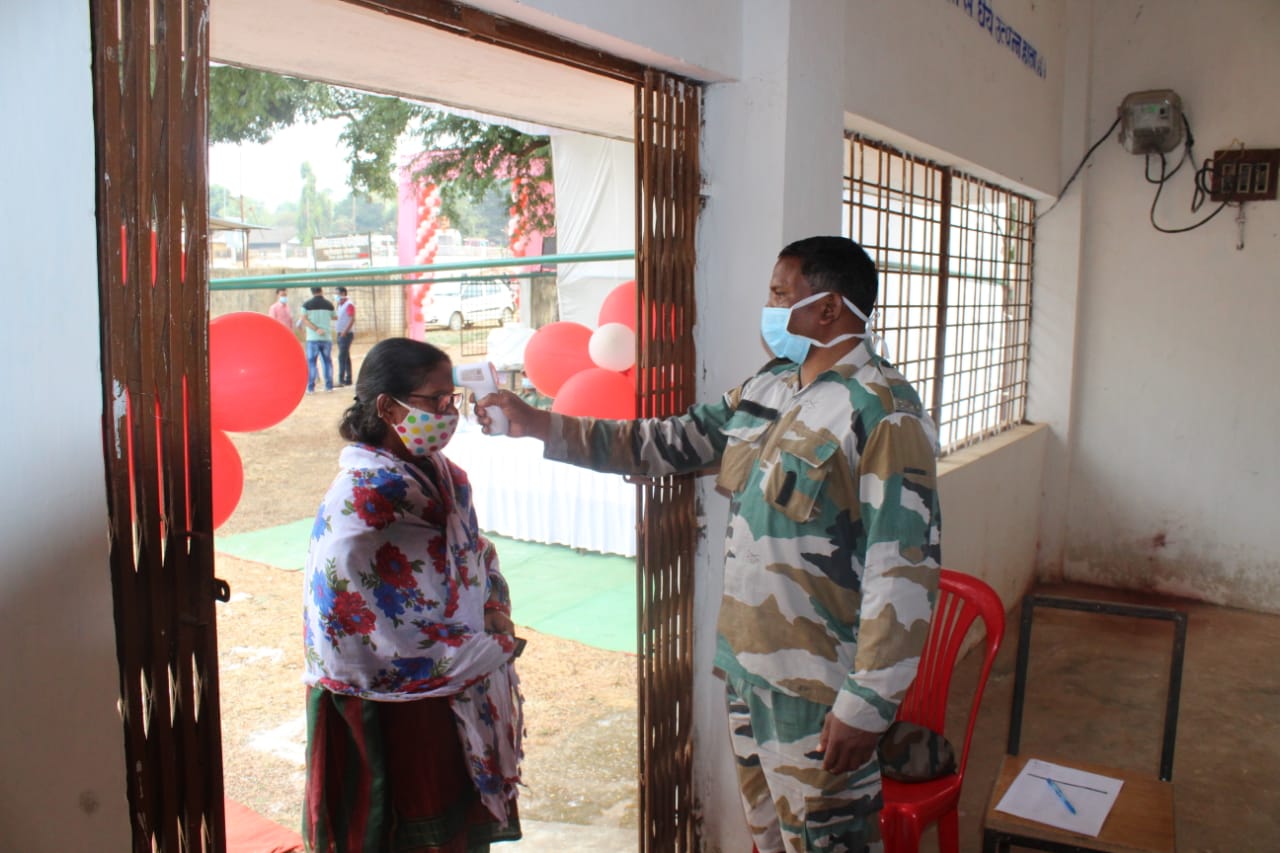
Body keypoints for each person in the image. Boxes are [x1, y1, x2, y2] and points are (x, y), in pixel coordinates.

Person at [478, 236, 941, 853]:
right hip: (749, 669)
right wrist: (540, 423)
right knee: (770, 840)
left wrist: (868, 705)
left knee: (832, 845)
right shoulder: (770, 388)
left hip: (820, 688)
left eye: (781, 294)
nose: (770, 307)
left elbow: (902, 570)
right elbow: (672, 441)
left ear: (829, 309)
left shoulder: (883, 414)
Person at [302, 337, 524, 852]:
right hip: (389, 706)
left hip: (453, 691)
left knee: (457, 828)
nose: (449, 413)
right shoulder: (363, 500)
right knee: (407, 829)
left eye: (452, 400)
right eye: (435, 401)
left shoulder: (446, 477)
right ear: (387, 406)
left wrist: (491, 606)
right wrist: (469, 648)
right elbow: (356, 612)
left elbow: (474, 553)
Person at [298, 286, 336, 393]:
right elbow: (334, 317)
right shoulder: (329, 304)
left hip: (312, 338)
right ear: (321, 291)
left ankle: (311, 388)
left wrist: (315, 328)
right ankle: (329, 387)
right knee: (327, 362)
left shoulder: (306, 305)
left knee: (311, 363)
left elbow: (303, 319)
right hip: (326, 337)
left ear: (312, 292)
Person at [335, 285, 357, 386]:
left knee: (342, 356)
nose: (336, 296)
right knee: (345, 356)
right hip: (340, 333)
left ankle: (341, 379)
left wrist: (345, 331)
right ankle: (348, 379)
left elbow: (352, 319)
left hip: (346, 334)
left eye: (337, 293)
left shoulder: (349, 305)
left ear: (343, 294)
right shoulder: (340, 305)